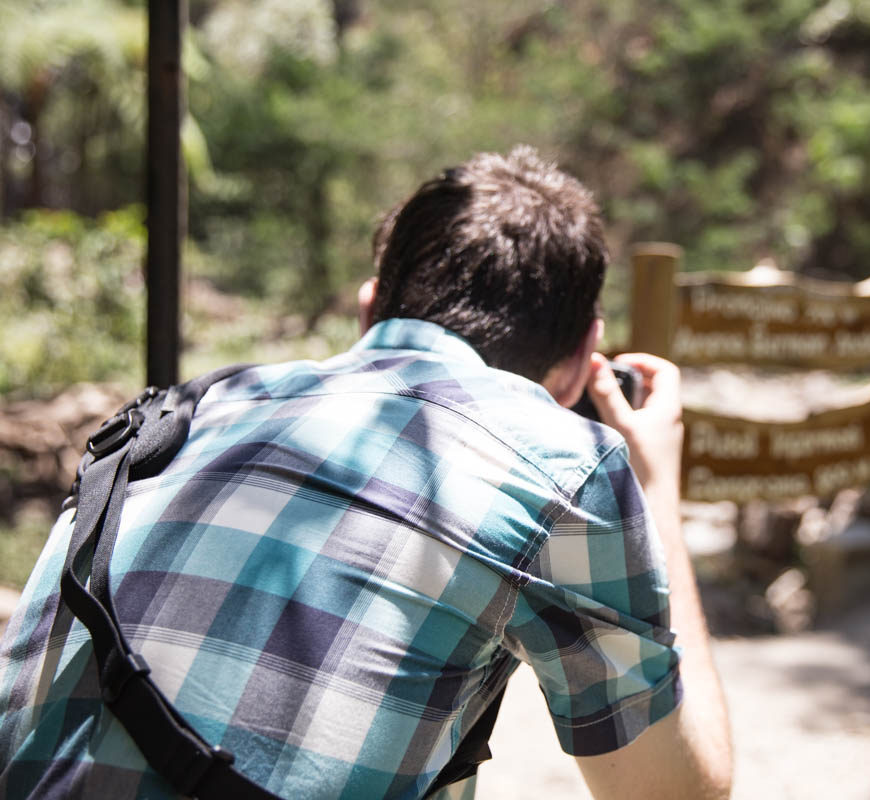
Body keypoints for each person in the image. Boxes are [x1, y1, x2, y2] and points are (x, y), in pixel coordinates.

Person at [0, 147, 732, 799]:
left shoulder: (181, 415)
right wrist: (656, 487)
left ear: (368, 307)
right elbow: (676, 794)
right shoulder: (565, 465)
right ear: (582, 360)